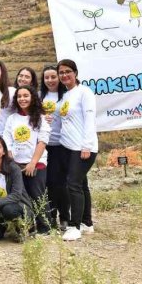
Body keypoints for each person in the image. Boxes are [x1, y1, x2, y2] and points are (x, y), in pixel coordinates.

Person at [55, 59, 98, 242]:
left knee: (73, 184)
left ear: (75, 73)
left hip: (82, 148)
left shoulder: (84, 92)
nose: (64, 75)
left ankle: (74, 226)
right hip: (67, 147)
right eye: (61, 72)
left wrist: (86, 146)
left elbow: (89, 119)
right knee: (81, 185)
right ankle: (87, 223)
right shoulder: (65, 96)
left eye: (67, 71)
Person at [3, 86, 51, 234]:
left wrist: (32, 163)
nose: (22, 99)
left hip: (36, 164)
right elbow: (7, 139)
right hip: (16, 165)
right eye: (19, 96)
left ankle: (45, 228)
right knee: (22, 198)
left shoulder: (41, 118)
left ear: (33, 98)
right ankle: (27, 227)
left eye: (26, 96)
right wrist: (11, 159)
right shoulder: (12, 119)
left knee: (37, 196)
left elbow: (42, 141)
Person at [41, 64, 67, 230]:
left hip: (63, 144)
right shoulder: (39, 96)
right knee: (49, 183)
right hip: (44, 145)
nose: (50, 80)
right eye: (47, 78)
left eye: (53, 77)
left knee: (61, 183)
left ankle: (65, 217)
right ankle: (50, 216)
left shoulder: (66, 96)